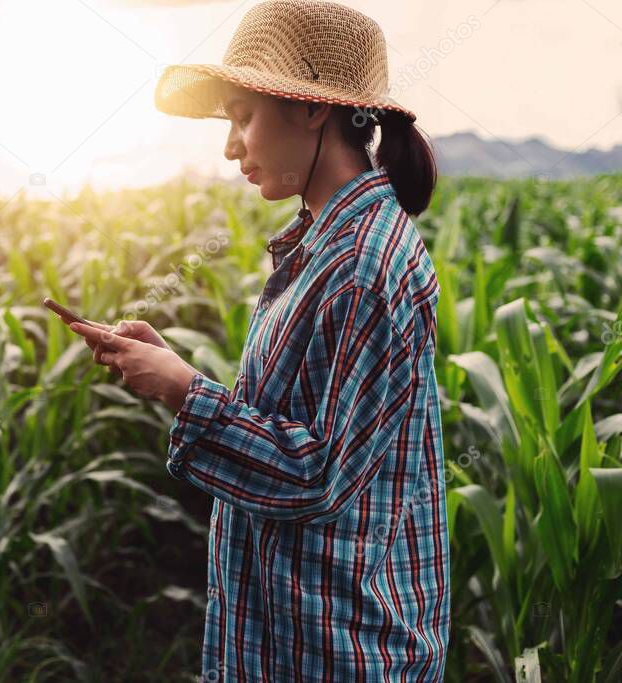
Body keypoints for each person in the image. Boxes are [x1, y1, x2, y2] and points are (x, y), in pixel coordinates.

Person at [65, 1, 449, 680]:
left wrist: (184, 390)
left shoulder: (360, 265)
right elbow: (299, 426)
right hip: (297, 634)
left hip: (336, 649)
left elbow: (319, 473)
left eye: (242, 116)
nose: (230, 145)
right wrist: (173, 369)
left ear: (311, 110)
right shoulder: (333, 243)